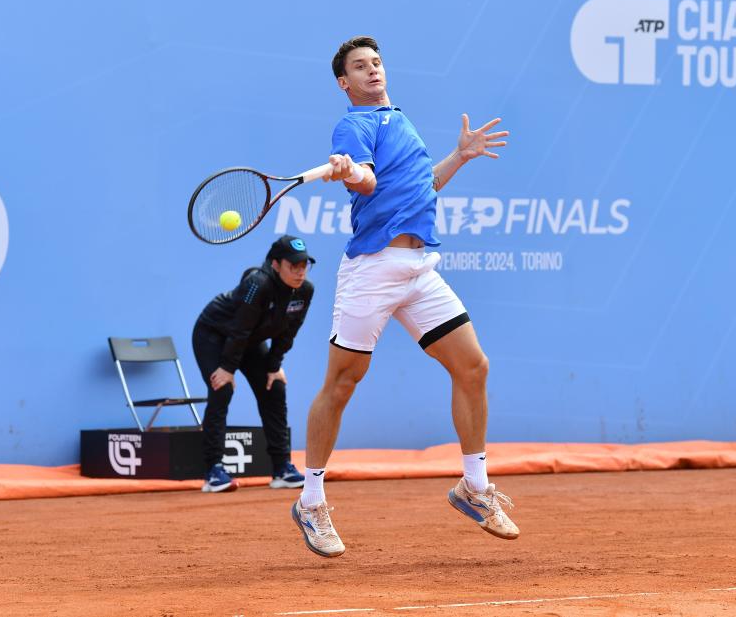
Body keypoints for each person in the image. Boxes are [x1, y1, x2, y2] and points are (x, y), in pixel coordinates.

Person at [290, 36, 518, 557]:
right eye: (359, 66)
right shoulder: (355, 124)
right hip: (372, 270)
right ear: (344, 82)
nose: (372, 70)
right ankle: (311, 499)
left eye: (376, 62)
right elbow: (367, 181)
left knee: (472, 367)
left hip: (419, 269)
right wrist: (353, 171)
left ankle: (474, 488)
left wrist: (458, 157)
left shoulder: (401, 120)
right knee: (343, 382)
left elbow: (420, 188)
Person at [193, 235, 315, 492]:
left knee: (275, 387)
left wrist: (273, 366)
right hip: (214, 334)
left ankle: (282, 468)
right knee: (221, 388)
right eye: (293, 265)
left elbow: (288, 333)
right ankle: (213, 471)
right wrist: (226, 368)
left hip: (248, 340)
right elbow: (239, 328)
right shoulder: (256, 284)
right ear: (275, 264)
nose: (300, 271)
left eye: (304, 265)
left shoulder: (305, 291)